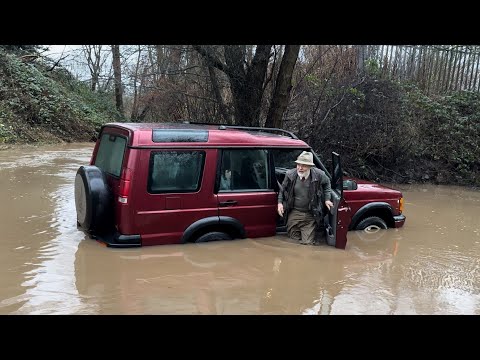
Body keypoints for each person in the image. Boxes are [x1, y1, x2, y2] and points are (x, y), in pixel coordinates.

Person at [277, 151, 334, 245]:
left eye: (304, 165)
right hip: (294, 212)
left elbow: (327, 183)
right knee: (293, 240)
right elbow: (282, 190)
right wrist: (279, 203)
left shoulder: (319, 175)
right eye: (298, 164)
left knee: (307, 243)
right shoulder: (290, 174)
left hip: (310, 213)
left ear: (310, 166)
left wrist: (327, 199)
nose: (300, 168)